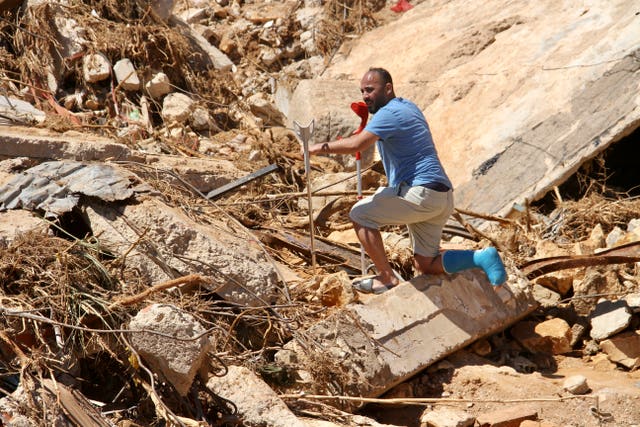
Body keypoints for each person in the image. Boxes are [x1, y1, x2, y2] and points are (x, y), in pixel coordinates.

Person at [308, 67, 507, 294]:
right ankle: (482, 258)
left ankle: (386, 278)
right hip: (441, 197)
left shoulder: (389, 113)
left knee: (360, 215)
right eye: (362, 91)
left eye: (371, 90)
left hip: (419, 193)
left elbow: (358, 145)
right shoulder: (408, 107)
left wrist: (317, 148)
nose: (365, 96)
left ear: (389, 88)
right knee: (426, 263)